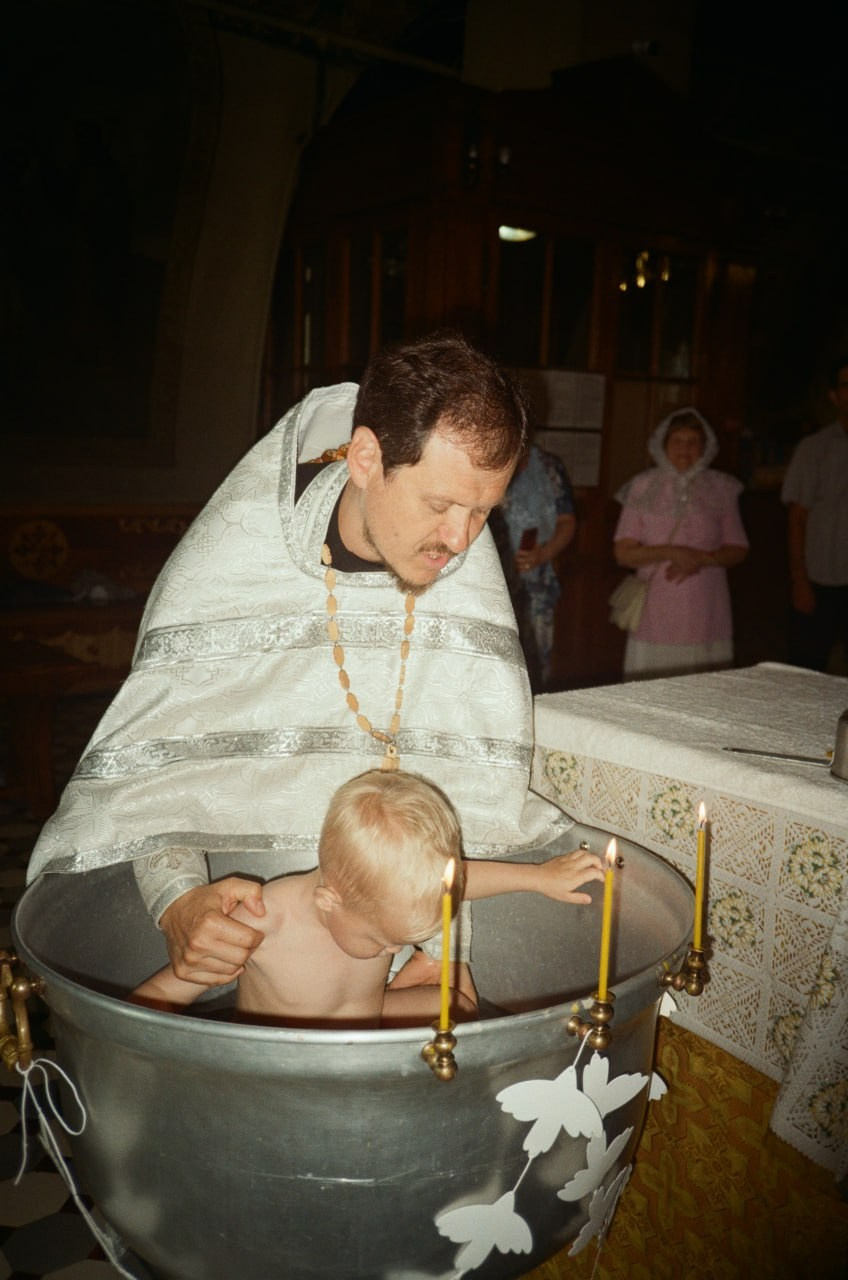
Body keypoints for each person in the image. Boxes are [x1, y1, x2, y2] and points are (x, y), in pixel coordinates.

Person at [29, 330, 570, 999]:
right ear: (367, 457)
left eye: (484, 510)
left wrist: (443, 937)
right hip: (259, 931)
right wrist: (178, 901)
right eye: (440, 505)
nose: (460, 541)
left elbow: (472, 787)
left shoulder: (460, 560)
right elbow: (154, 773)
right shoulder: (234, 563)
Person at [131, 769, 604, 1027]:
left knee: (460, 1009)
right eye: (381, 942)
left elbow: (455, 883)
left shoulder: (369, 903)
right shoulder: (262, 920)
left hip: (366, 1024)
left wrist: (539, 878)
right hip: (282, 1059)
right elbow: (155, 997)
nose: (392, 952)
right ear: (329, 902)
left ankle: (419, 983)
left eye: (399, 943)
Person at [612, 407, 749, 680]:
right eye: (677, 441)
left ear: (705, 447)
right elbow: (623, 553)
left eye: (693, 442)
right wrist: (671, 551)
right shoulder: (643, 486)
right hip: (657, 607)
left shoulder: (722, 488)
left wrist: (701, 559)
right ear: (663, 445)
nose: (685, 449)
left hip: (707, 607)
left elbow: (738, 549)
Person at [781, 357, 848, 672]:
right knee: (805, 674)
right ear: (834, 395)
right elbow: (797, 517)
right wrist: (800, 581)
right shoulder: (814, 448)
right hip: (820, 579)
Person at [493, 441, 576, 691]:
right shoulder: (485, 456)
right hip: (493, 580)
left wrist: (544, 553)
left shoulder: (549, 466)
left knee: (534, 662)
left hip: (535, 581)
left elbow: (567, 520)